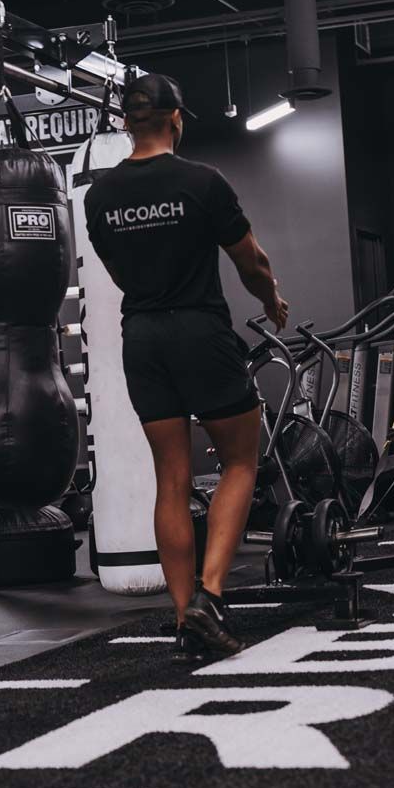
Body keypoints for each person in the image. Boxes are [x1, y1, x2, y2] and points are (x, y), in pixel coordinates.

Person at [84, 72, 288, 661]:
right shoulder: (202, 181)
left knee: (170, 478)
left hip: (143, 337)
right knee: (241, 459)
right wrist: (271, 300)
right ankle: (210, 597)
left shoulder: (98, 196)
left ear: (127, 123)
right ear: (176, 119)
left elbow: (119, 272)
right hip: (199, 328)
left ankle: (183, 620)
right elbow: (252, 262)